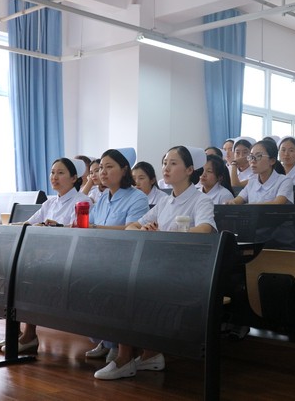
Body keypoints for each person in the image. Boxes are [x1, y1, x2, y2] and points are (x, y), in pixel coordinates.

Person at [93, 146, 216, 380]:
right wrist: (144, 229)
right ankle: (149, 354)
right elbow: (132, 227)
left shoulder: (201, 200)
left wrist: (166, 234)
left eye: (173, 163)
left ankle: (125, 358)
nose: (166, 168)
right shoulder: (165, 203)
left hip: (186, 271)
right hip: (160, 267)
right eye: (164, 163)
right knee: (119, 281)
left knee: (127, 287)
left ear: (190, 170)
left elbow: (205, 229)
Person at [0, 157, 91, 353]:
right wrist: (8, 226)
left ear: (74, 178)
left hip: (67, 258)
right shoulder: (50, 202)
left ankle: (29, 335)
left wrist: (55, 227)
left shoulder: (82, 201)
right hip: (45, 257)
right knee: (15, 273)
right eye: (52, 172)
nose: (54, 177)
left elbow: (78, 233)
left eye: (60, 173)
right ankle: (16, 332)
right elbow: (29, 223)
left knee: (26, 275)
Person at [85, 148, 150, 362]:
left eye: (109, 167)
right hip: (100, 257)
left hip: (125, 259)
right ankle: (105, 339)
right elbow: (89, 224)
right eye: (101, 168)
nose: (102, 172)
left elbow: (131, 229)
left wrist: (96, 229)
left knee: (108, 289)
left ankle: (116, 343)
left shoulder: (137, 197)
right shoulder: (103, 198)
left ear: (124, 170)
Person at [227, 139, 293, 205]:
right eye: (251, 156)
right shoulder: (252, 181)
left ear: (272, 161)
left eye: (258, 156)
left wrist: (248, 206)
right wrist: (230, 203)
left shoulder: (284, 181)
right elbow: (238, 200)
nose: (253, 161)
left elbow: (277, 203)